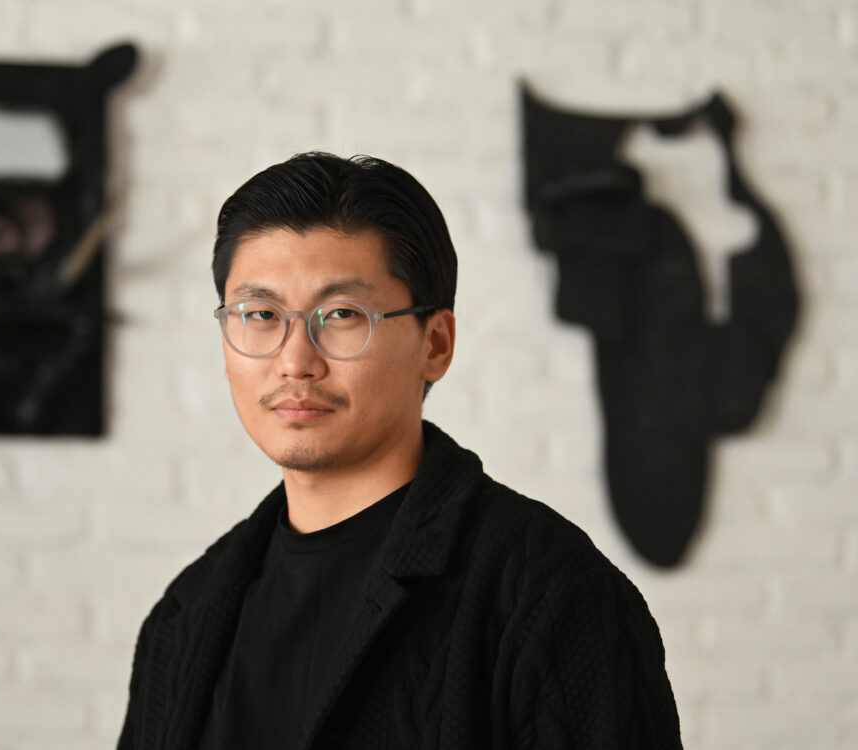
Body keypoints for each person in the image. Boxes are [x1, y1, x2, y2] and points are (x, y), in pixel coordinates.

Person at [118, 152, 683, 749]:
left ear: (435, 344)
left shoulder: (550, 595)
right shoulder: (186, 616)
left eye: (341, 314)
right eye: (260, 314)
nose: (295, 361)